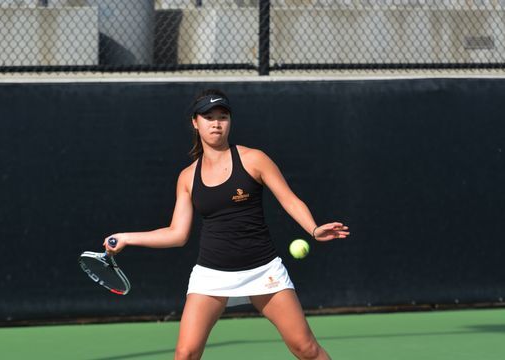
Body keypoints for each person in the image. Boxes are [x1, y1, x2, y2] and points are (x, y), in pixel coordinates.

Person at [104, 89, 350, 360]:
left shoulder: (254, 159)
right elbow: (177, 234)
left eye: (223, 116)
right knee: (185, 355)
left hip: (263, 269)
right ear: (195, 123)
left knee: (306, 349)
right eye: (209, 117)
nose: (216, 123)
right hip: (212, 274)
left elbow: (289, 200)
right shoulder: (187, 177)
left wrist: (313, 229)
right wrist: (127, 237)